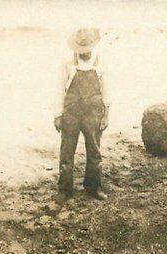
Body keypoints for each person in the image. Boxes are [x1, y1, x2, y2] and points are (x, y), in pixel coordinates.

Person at [54, 28, 109, 201]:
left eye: (86, 50)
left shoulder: (100, 62)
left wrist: (106, 114)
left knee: (94, 149)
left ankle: (93, 187)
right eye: (80, 51)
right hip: (71, 112)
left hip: (93, 112)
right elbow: (58, 89)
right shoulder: (68, 63)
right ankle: (64, 189)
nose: (84, 54)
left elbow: (107, 90)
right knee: (67, 150)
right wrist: (57, 115)